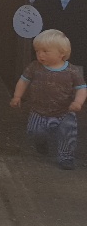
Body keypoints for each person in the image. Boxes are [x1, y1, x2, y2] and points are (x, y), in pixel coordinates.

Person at [10, 29, 86, 170]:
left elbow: (81, 88)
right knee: (35, 131)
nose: (40, 54)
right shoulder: (34, 67)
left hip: (64, 111)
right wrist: (17, 96)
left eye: (45, 51)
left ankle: (66, 157)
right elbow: (23, 81)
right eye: (37, 51)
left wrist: (78, 102)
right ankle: (42, 141)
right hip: (38, 110)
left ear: (61, 53)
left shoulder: (72, 71)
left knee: (67, 135)